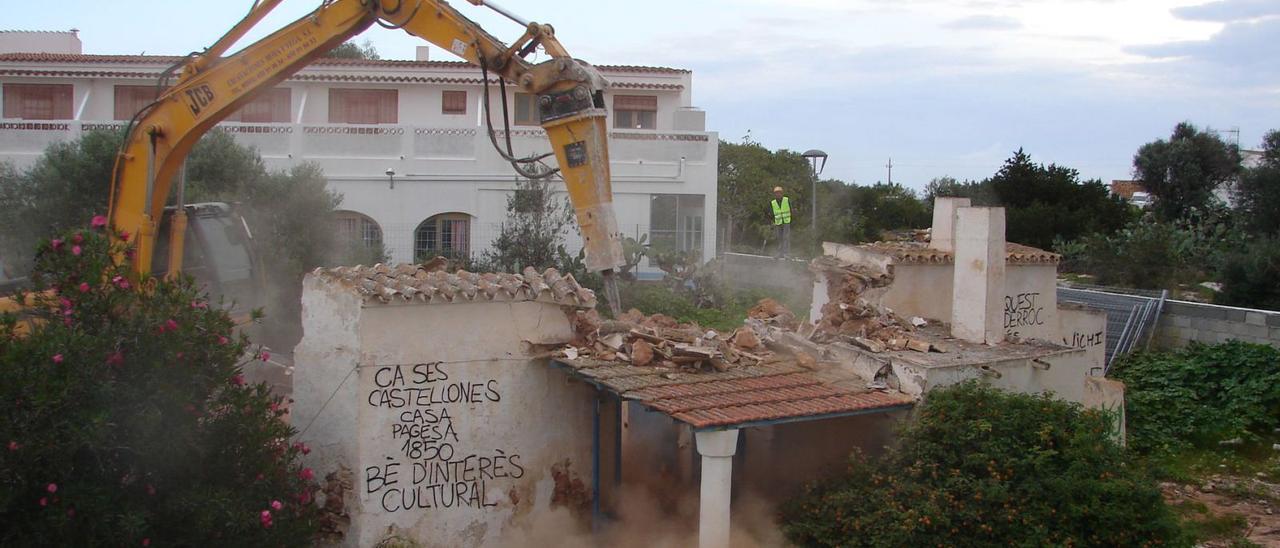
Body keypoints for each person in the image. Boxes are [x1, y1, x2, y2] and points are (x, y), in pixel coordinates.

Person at [770, 186, 792, 258]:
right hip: (778, 222)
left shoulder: (786, 200)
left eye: (779, 193)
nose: (778, 194)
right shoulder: (773, 203)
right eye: (776, 193)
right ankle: (779, 253)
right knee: (779, 238)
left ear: (782, 193)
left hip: (786, 222)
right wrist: (773, 222)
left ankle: (786, 253)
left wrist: (791, 220)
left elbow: (791, 210)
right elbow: (771, 213)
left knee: (786, 237)